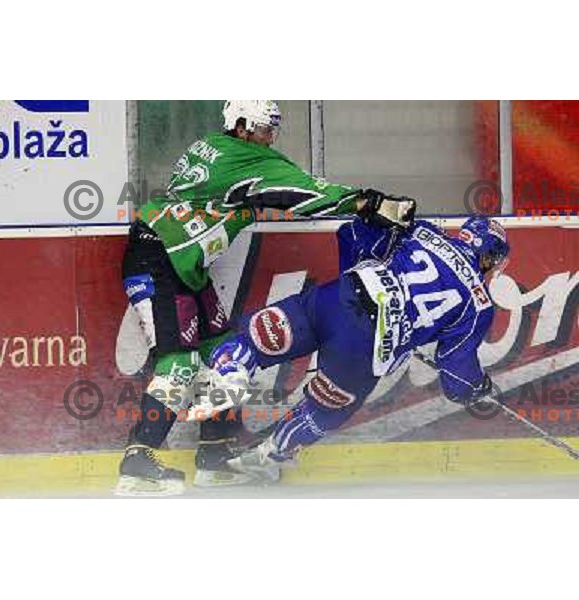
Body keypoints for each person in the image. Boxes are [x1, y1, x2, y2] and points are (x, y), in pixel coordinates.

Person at [116, 100, 416, 496]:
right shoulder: (243, 158)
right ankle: (137, 461)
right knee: (180, 364)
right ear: (241, 126)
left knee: (223, 352)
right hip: (160, 258)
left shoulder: (215, 147)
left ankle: (214, 456)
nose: (270, 136)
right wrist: (369, 203)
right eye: (263, 128)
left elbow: (277, 187)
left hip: (179, 260)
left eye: (272, 128)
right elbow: (303, 191)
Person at [209, 213, 510, 476]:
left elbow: (351, 233)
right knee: (325, 411)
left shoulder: (423, 230)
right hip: (363, 349)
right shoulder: (479, 303)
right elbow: (456, 376)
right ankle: (270, 455)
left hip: (334, 299)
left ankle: (232, 371)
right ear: (489, 257)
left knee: (254, 341)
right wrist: (476, 388)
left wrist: (364, 276)